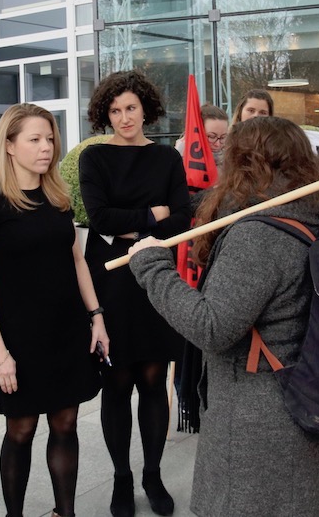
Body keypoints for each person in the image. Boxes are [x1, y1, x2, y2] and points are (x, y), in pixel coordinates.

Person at [126, 116, 319, 516]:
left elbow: (212, 327)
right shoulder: (314, 220)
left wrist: (151, 267)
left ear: (243, 163)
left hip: (263, 434)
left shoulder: (259, 236)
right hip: (310, 411)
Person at [0, 104, 108, 517]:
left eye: (50, 139)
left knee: (65, 424)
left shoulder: (58, 198)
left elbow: (77, 261)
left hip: (67, 330)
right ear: (9, 146)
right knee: (21, 429)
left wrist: (96, 317)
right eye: (35, 139)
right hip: (20, 336)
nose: (47, 148)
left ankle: (67, 513)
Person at [79, 70, 191, 517]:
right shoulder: (95, 158)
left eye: (130, 108)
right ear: (105, 115)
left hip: (156, 278)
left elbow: (181, 220)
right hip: (110, 281)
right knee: (117, 381)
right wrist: (153, 214)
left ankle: (153, 474)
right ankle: (122, 479)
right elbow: (100, 218)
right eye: (114, 110)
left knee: (152, 379)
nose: (124, 117)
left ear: (145, 107)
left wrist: (137, 223)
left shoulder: (166, 158)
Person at [173, 104, 229, 171]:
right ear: (197, 133)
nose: (218, 144)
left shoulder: (232, 161)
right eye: (212, 137)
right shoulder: (180, 156)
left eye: (223, 137)